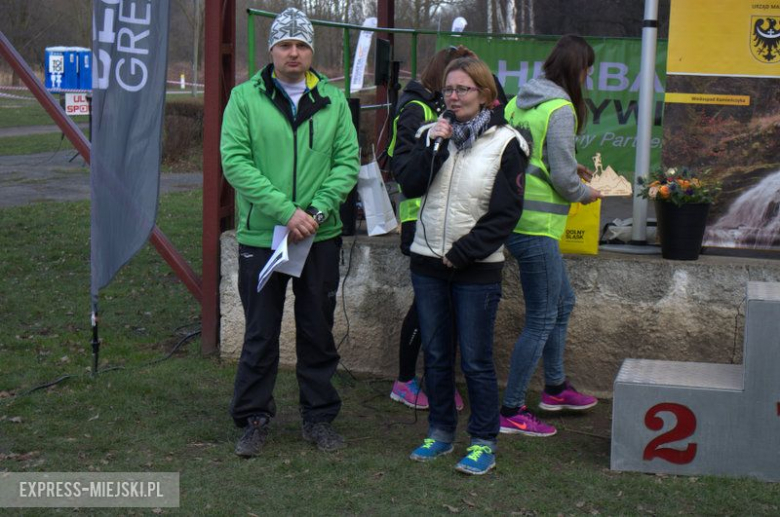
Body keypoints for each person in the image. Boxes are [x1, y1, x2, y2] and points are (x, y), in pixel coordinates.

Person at [220, 7, 359, 457]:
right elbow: (236, 163)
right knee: (260, 330)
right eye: (285, 45)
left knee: (317, 328)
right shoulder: (245, 98)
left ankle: (318, 418)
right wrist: (285, 211)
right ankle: (254, 418)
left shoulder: (333, 101)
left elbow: (346, 163)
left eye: (301, 45)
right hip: (263, 236)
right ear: (272, 50)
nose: (293, 53)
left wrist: (314, 213)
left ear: (311, 51)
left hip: (318, 235)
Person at [396, 57, 529, 475]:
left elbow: (505, 214)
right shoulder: (432, 134)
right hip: (427, 261)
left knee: (475, 359)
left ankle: (483, 441)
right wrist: (432, 144)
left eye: (463, 89)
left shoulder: (508, 143)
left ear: (486, 95)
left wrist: (464, 251)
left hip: (475, 267)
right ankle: (440, 432)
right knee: (436, 355)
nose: (453, 97)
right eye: (449, 90)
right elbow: (411, 184)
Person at [500, 35, 602, 438]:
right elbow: (560, 179)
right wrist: (585, 192)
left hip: (513, 219)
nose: (589, 77)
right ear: (579, 70)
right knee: (541, 317)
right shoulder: (561, 108)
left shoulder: (519, 103)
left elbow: (531, 158)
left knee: (563, 301)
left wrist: (567, 165)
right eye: (588, 70)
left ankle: (555, 388)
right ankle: (510, 409)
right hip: (537, 227)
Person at [387, 45, 476, 411]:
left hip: (444, 218)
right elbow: (404, 167)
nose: (459, 91)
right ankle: (406, 381)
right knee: (426, 305)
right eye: (455, 82)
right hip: (419, 217)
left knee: (440, 305)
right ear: (444, 77)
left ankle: (431, 380)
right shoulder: (416, 108)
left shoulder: (437, 107)